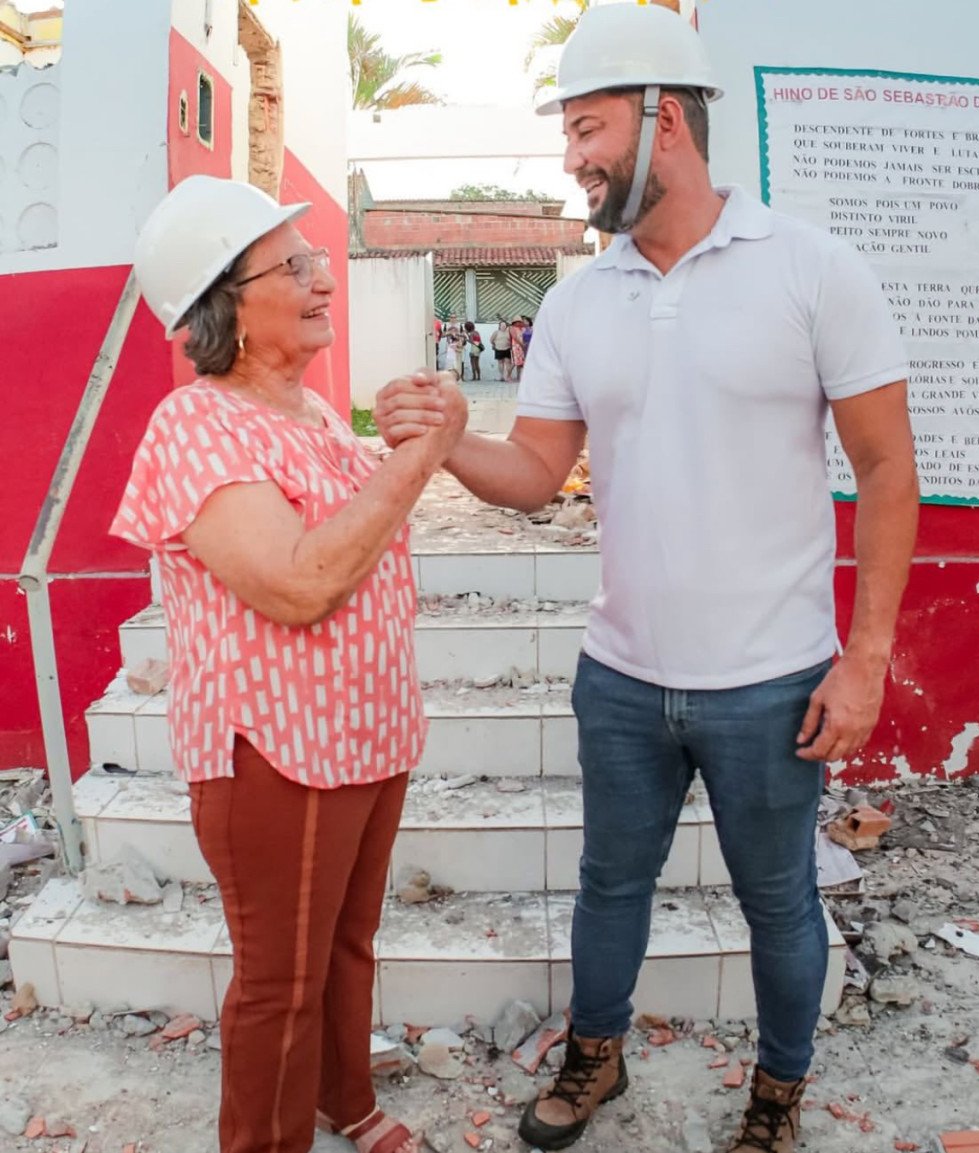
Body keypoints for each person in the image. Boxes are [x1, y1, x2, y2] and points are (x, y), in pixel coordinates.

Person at [373, 6, 918, 1153]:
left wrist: (862, 659)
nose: (569, 159)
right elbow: (533, 472)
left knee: (778, 902)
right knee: (608, 886)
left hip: (774, 680)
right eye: (568, 134)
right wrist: (437, 440)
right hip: (619, 676)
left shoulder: (812, 269)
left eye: (586, 129)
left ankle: (776, 1096)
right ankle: (594, 1058)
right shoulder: (576, 302)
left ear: (664, 118)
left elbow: (884, 471)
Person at [112, 175, 466, 1153]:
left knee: (345, 948)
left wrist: (408, 449)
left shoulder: (314, 420)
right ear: (224, 303)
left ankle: (341, 1099)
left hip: (369, 729)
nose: (321, 279)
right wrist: (415, 458)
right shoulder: (195, 426)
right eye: (292, 265)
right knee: (281, 976)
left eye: (316, 260)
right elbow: (298, 583)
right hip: (276, 752)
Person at [509, 318, 526, 383]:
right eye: (517, 322)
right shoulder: (512, 328)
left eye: (519, 322)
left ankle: (518, 377)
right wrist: (521, 344)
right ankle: (508, 376)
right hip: (516, 347)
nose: (518, 323)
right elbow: (515, 337)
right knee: (515, 362)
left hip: (522, 346)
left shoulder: (522, 328)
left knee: (520, 363)